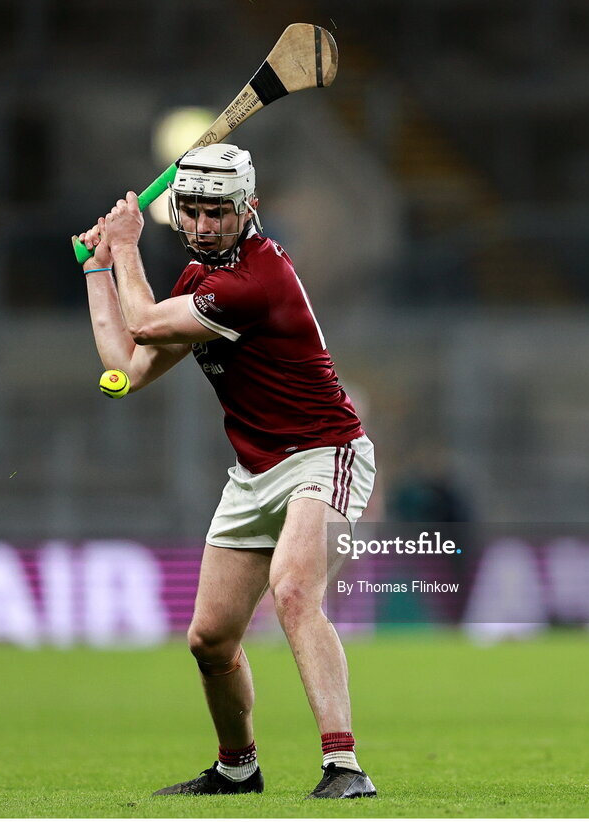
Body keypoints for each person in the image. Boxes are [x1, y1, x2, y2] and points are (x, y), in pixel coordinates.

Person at [77, 143, 378, 800]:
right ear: (180, 215)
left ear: (249, 209)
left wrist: (125, 245)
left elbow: (147, 320)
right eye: (194, 211)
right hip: (255, 472)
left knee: (295, 591)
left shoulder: (255, 279)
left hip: (323, 452)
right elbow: (125, 371)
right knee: (209, 640)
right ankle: (237, 768)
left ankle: (344, 766)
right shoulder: (198, 286)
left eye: (219, 211)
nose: (206, 224)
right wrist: (98, 270)